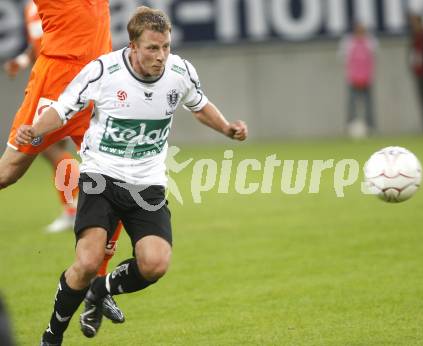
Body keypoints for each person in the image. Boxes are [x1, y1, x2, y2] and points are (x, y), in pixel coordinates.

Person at [16, 6, 248, 345]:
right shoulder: (103, 71)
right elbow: (62, 109)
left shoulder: (180, 72)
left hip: (147, 184)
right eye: (152, 48)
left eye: (166, 46)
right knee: (87, 260)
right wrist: (34, 132)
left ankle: (101, 288)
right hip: (101, 177)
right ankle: (52, 335)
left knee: (155, 263)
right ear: (133, 46)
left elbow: (199, 104)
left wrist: (227, 128)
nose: (161, 56)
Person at [0, 0, 125, 336]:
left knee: (122, 178)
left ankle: (96, 283)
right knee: (8, 172)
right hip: (57, 82)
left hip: (97, 81)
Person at [3, 0, 80, 233]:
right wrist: (23, 60)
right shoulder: (31, 8)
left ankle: (75, 208)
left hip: (61, 83)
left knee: (50, 149)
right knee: (53, 150)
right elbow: (42, 43)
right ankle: (75, 206)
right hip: (50, 81)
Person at [339, 22, 378, 137]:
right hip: (353, 79)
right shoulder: (348, 42)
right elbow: (344, 59)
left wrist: (370, 75)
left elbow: (373, 59)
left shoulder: (371, 42)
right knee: (352, 105)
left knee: (369, 105)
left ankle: (371, 128)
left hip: (367, 79)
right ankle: (350, 127)